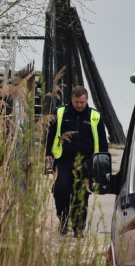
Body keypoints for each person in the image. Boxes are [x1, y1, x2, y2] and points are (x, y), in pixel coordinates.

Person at [45, 85, 109, 236]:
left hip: (85, 163)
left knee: (81, 196)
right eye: (76, 102)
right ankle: (63, 219)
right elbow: (50, 133)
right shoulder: (61, 113)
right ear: (71, 100)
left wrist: (102, 162)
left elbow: (102, 141)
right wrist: (48, 153)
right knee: (60, 191)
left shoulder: (95, 116)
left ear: (87, 100)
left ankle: (78, 228)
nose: (79, 105)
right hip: (64, 161)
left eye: (82, 102)